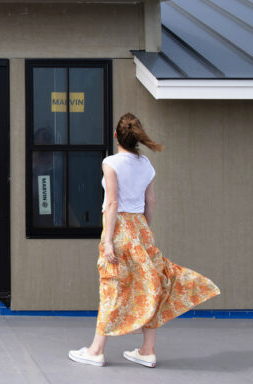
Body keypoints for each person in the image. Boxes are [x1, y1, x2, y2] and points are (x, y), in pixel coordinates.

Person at [68, 113, 220, 368]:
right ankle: (147, 350)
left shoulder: (111, 162)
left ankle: (96, 351)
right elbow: (151, 202)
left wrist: (107, 242)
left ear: (116, 136)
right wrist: (144, 231)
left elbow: (113, 202)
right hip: (140, 227)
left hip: (119, 229)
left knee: (112, 286)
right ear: (137, 137)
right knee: (152, 283)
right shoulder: (146, 164)